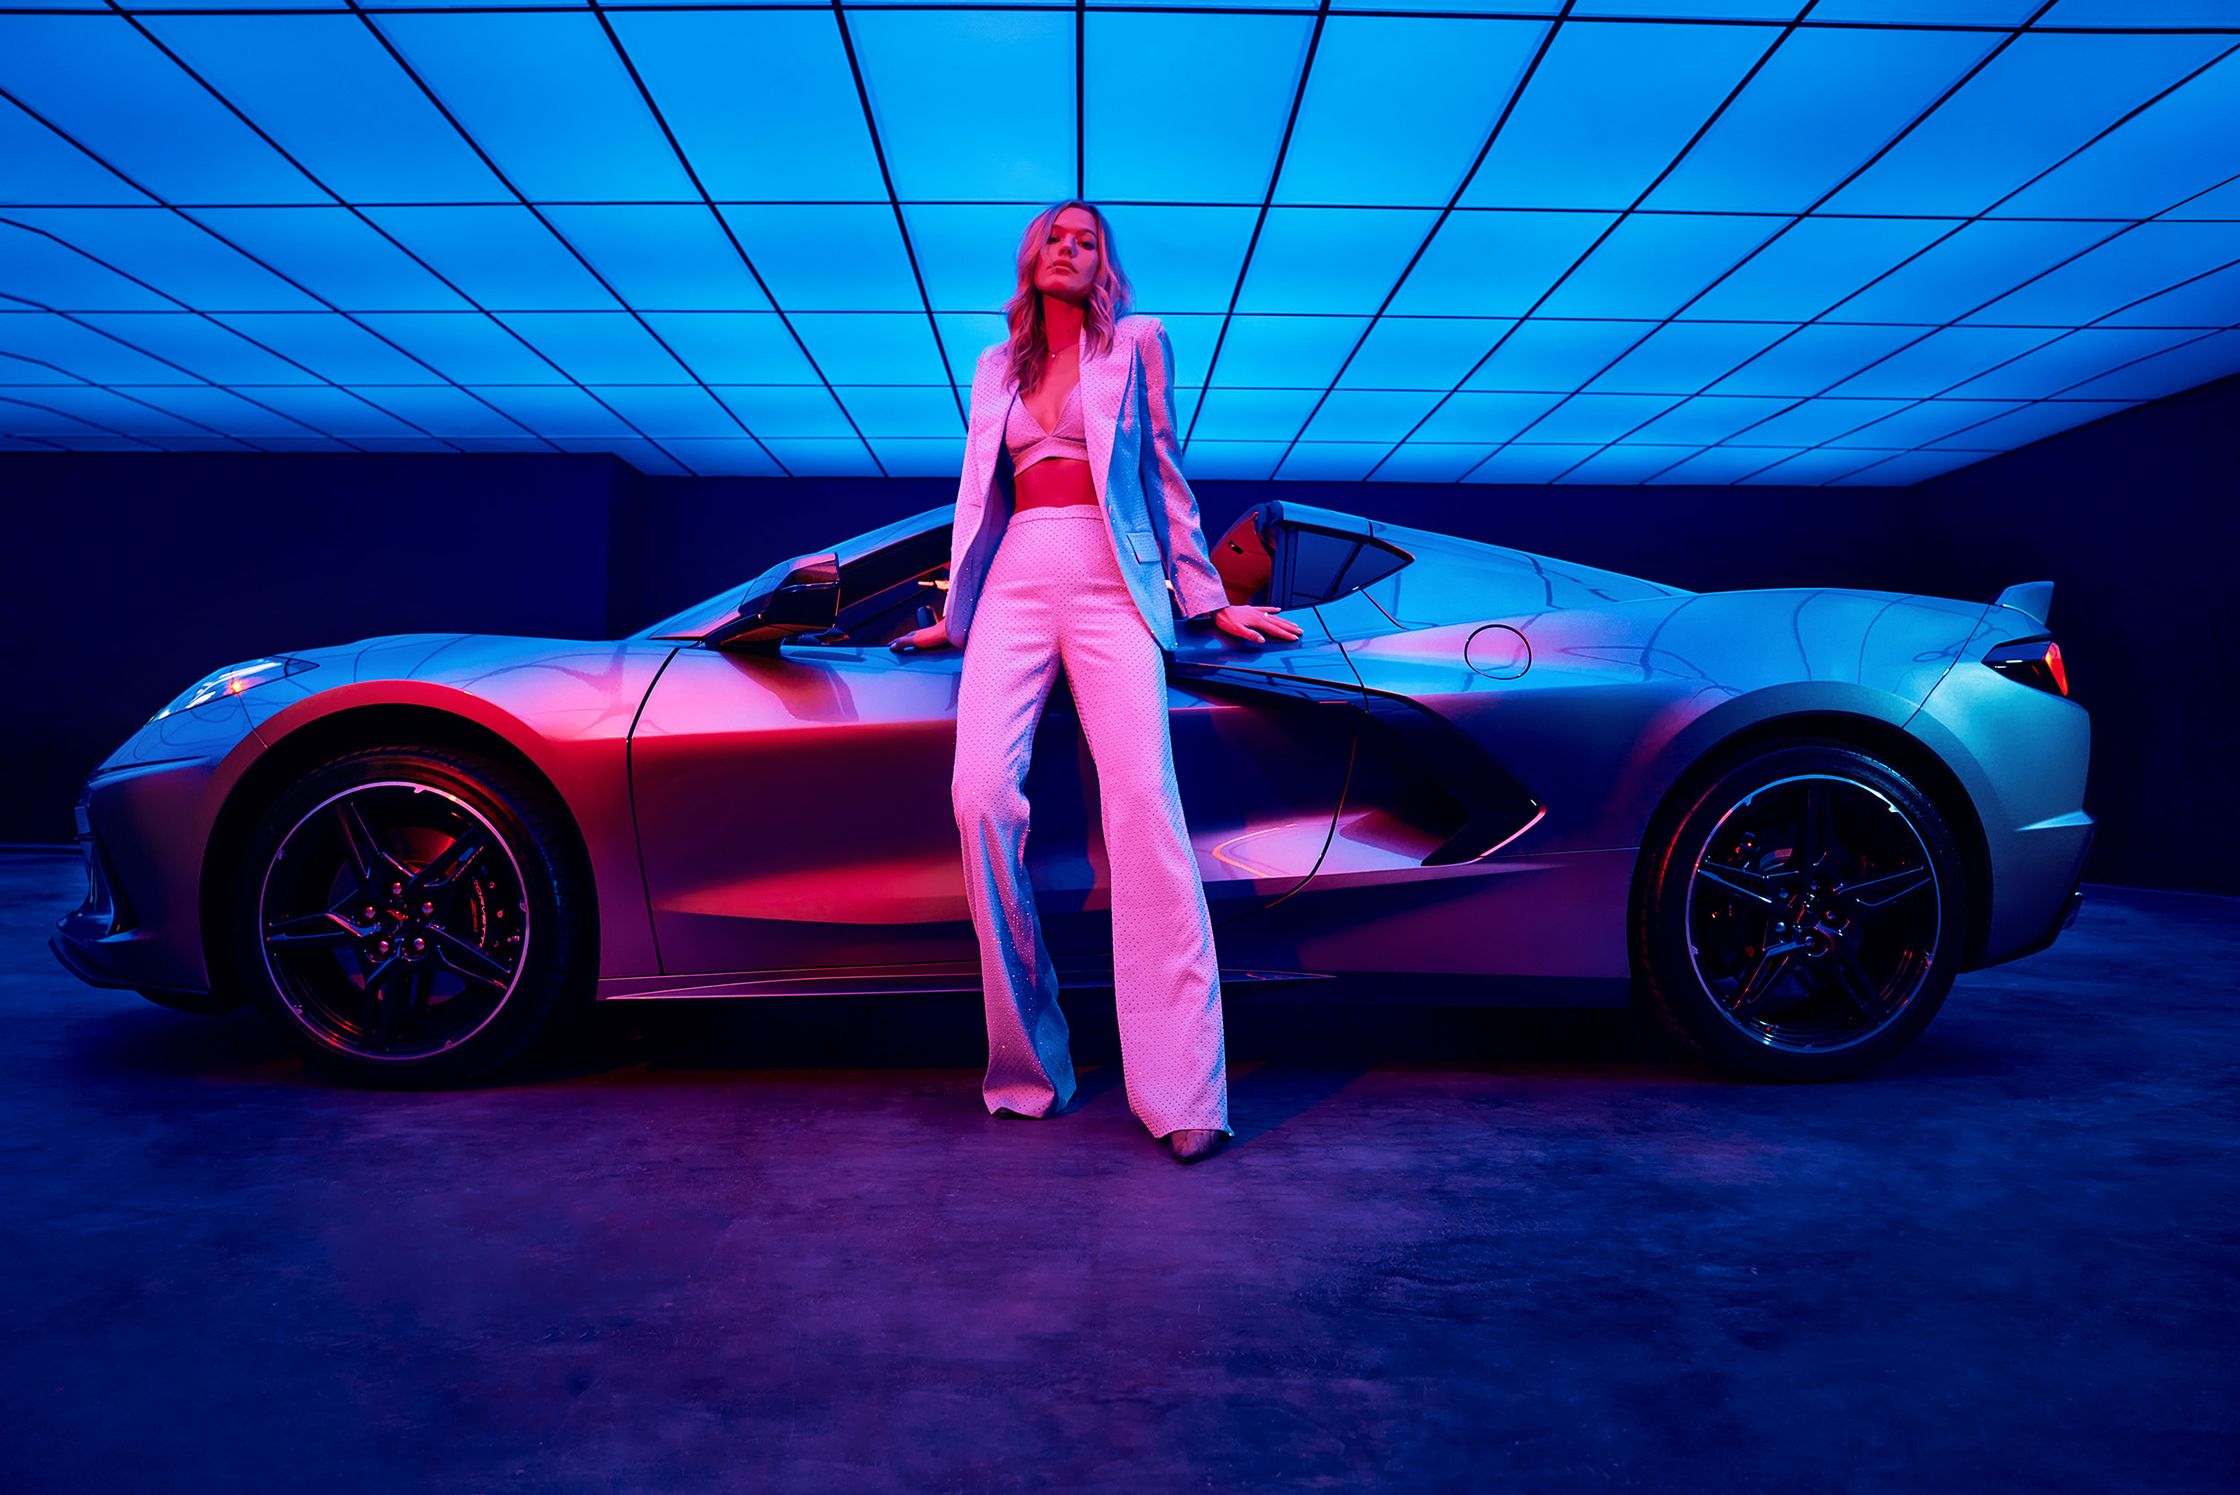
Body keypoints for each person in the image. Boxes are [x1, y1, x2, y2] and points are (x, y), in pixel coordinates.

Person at [889, 201, 1301, 1164]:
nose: (1070, 249)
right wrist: (956, 615)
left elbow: (1162, 475)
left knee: (1144, 809)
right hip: (1017, 580)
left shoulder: (1138, 342)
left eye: (1089, 241)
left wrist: (1207, 600)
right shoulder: (996, 366)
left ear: (1102, 266)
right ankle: (1029, 1067)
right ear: (1032, 258)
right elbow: (974, 496)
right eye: (1056, 237)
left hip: (1115, 580)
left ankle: (1182, 1088)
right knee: (981, 798)